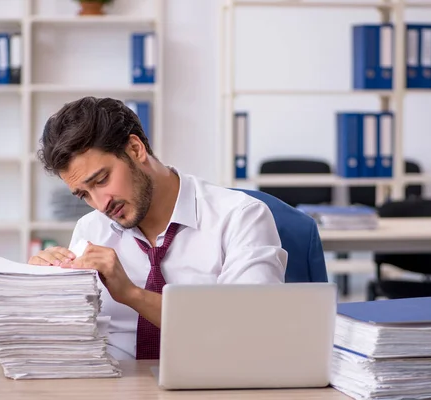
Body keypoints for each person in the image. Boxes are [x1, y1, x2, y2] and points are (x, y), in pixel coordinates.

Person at [28, 96, 287, 360]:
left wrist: (131, 294)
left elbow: (251, 330)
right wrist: (43, 291)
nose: (101, 204)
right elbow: (72, 341)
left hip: (212, 382)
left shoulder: (240, 216)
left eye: (102, 180)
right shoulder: (90, 229)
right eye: (84, 195)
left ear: (135, 148)